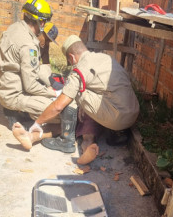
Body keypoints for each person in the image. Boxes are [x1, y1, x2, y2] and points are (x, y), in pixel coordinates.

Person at [13, 35, 140, 164]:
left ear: (72, 57)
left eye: (70, 61)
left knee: (72, 95)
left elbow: (59, 105)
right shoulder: (106, 58)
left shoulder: (80, 69)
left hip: (115, 116)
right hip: (132, 112)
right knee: (83, 101)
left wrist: (38, 123)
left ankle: (64, 140)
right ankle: (86, 145)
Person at [0, 0, 60, 130]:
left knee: (43, 72)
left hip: (5, 87)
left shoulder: (15, 27)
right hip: (14, 96)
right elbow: (30, 87)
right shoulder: (28, 44)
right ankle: (17, 110)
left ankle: (18, 110)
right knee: (59, 111)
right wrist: (53, 93)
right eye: (44, 21)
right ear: (40, 21)